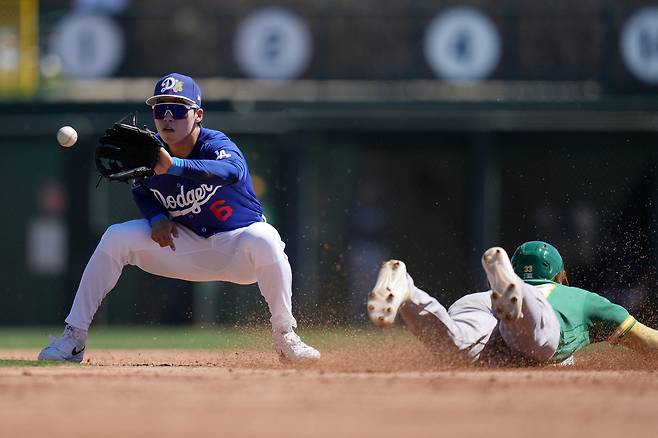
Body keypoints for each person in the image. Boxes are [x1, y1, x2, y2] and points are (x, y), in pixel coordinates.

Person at [39, 73, 320, 363]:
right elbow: (142, 191)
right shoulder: (147, 152)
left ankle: (286, 337)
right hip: (182, 248)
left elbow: (232, 172)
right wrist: (156, 217)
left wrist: (175, 167)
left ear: (198, 115)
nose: (168, 117)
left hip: (237, 248)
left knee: (267, 239)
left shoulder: (215, 143)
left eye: (178, 108)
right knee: (115, 238)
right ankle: (74, 339)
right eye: (161, 109)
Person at [367, 241, 658, 366]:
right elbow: (648, 341)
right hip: (531, 317)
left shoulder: (490, 297)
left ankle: (408, 291)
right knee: (537, 342)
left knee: (455, 347)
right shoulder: (584, 298)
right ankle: (516, 294)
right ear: (560, 276)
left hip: (481, 303)